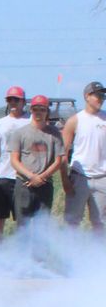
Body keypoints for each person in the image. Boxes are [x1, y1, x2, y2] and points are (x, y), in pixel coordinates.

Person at [9, 96, 65, 239]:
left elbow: (58, 161)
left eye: (42, 109)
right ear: (31, 110)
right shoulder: (19, 133)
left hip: (45, 185)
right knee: (23, 226)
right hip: (24, 184)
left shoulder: (55, 134)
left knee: (42, 226)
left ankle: (40, 260)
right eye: (35, 109)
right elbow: (14, 160)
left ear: (47, 111)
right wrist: (31, 176)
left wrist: (42, 177)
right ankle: (22, 259)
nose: (39, 112)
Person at [61, 80, 106, 233]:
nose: (101, 98)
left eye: (103, 95)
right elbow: (63, 153)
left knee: (101, 223)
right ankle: (71, 254)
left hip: (102, 178)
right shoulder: (74, 121)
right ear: (87, 96)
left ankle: (98, 256)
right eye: (97, 95)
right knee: (72, 222)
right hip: (79, 177)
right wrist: (65, 180)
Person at [0, 86, 30, 240]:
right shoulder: (0, 123)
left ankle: (21, 255)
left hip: (23, 178)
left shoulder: (30, 121)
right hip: (3, 176)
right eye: (9, 99)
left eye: (16, 99)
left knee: (22, 220)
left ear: (23, 101)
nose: (13, 102)